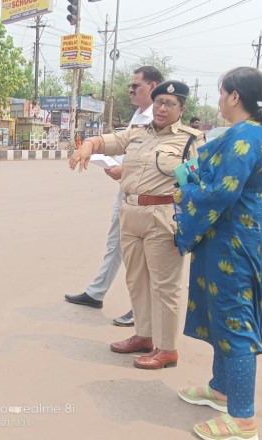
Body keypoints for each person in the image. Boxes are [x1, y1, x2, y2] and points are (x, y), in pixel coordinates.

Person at [172, 67, 262, 440]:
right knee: (221, 317)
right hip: (227, 241)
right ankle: (221, 390)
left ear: (235, 96)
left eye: (221, 93)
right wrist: (188, 176)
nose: (218, 101)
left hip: (236, 245)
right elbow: (208, 177)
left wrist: (185, 193)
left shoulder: (247, 136)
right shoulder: (243, 134)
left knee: (235, 323)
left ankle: (243, 419)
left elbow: (220, 192)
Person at [69, 79, 205, 369]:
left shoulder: (191, 140)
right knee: (136, 280)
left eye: (170, 104)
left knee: (164, 286)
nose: (162, 108)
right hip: (130, 214)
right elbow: (107, 141)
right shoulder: (137, 134)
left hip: (162, 217)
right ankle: (144, 336)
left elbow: (198, 184)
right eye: (158, 102)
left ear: (181, 108)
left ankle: (166, 349)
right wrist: (87, 146)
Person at [64, 66, 164, 327]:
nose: (130, 89)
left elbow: (161, 160)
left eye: (136, 85)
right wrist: (94, 147)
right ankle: (96, 293)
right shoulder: (139, 114)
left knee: (143, 253)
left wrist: (126, 168)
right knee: (116, 244)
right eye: (130, 85)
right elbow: (125, 145)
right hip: (128, 191)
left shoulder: (159, 117)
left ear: (153, 86)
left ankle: (141, 308)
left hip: (148, 197)